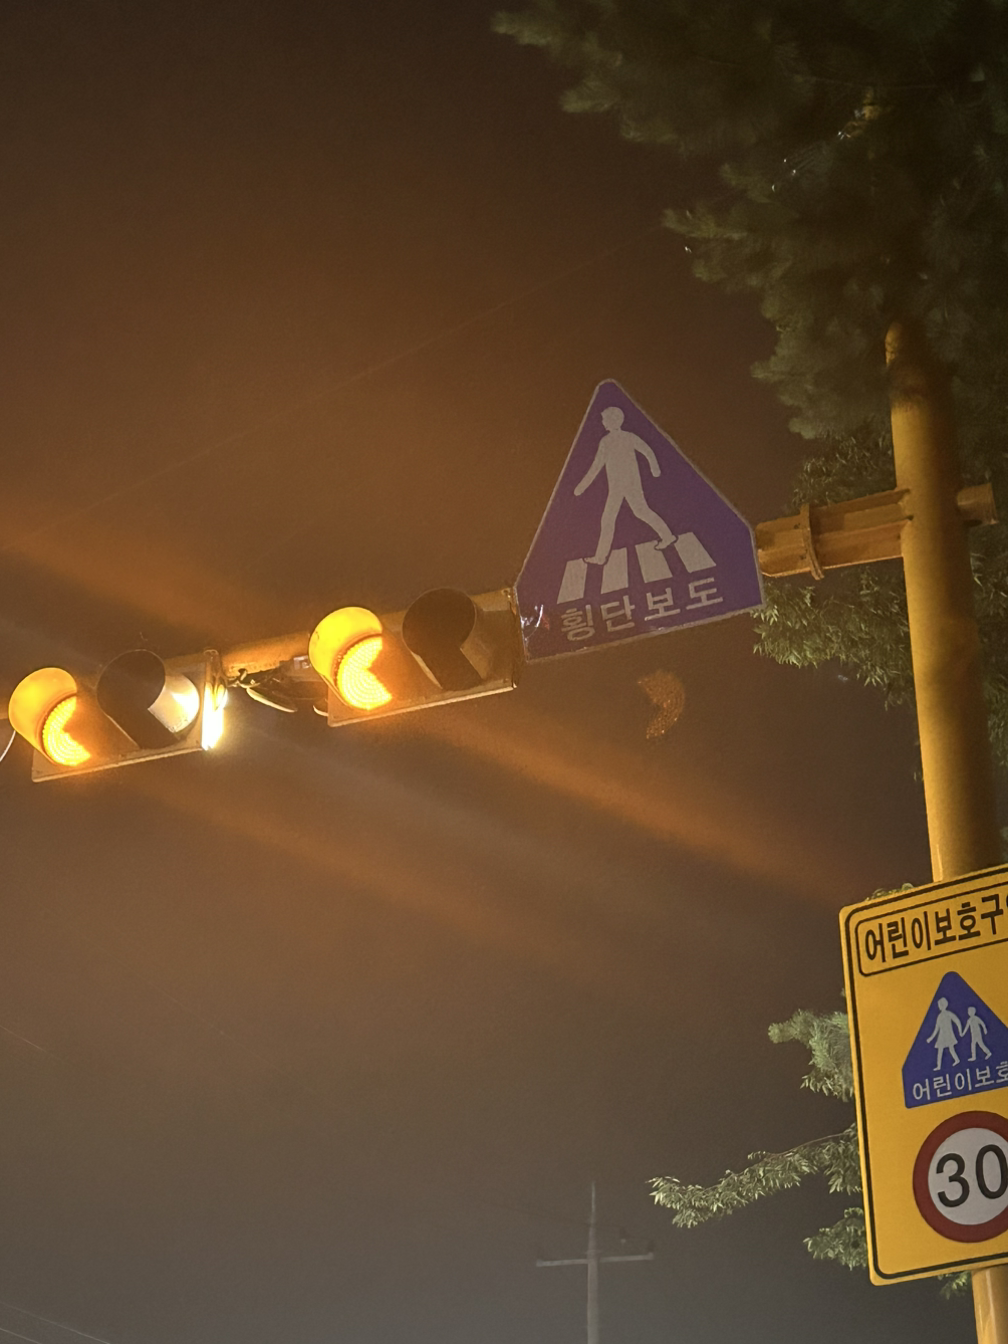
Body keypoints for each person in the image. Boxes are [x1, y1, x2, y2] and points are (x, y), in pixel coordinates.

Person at [574, 406, 676, 564]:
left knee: (611, 519)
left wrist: (581, 487)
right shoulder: (625, 437)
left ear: (611, 421)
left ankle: (601, 557)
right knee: (638, 512)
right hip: (626, 485)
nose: (602, 422)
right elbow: (647, 451)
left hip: (623, 486)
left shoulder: (608, 441)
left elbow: (597, 466)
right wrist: (654, 468)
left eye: (604, 419)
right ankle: (667, 536)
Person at [927, 997, 964, 1070]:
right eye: (939, 1005)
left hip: (948, 1034)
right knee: (941, 1050)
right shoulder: (939, 1016)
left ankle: (956, 1060)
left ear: (944, 1005)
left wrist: (960, 1031)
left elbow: (957, 1021)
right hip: (942, 1035)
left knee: (951, 1049)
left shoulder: (948, 1014)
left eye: (940, 1005)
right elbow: (937, 1028)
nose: (939, 1006)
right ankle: (939, 1066)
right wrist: (931, 1038)